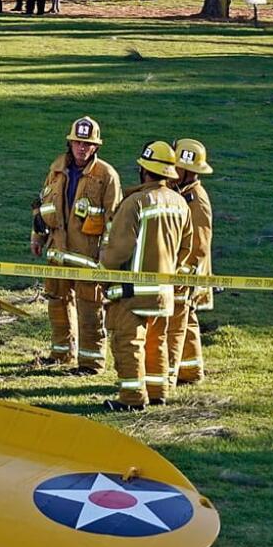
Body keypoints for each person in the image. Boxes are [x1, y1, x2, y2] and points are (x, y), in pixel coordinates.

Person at [101, 141, 193, 411]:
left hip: (133, 294)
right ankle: (157, 392)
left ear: (143, 170)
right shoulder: (180, 204)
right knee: (157, 343)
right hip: (164, 293)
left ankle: (131, 399)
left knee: (128, 344)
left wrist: (102, 267)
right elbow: (186, 249)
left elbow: (118, 251)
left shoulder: (135, 203)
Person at [31, 117, 122, 372]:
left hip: (88, 258)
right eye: (78, 143)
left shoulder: (106, 176)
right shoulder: (56, 170)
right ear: (70, 143)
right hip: (57, 252)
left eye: (88, 144)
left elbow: (113, 220)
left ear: (96, 147)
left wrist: (107, 254)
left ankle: (91, 362)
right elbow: (43, 207)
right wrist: (37, 237)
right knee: (57, 303)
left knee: (90, 308)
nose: (82, 148)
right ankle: (61, 354)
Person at [165, 139, 214, 385]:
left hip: (186, 273)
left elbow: (201, 244)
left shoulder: (196, 199)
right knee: (188, 320)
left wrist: (183, 274)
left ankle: (169, 374)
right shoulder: (182, 193)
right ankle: (191, 371)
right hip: (183, 271)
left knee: (176, 321)